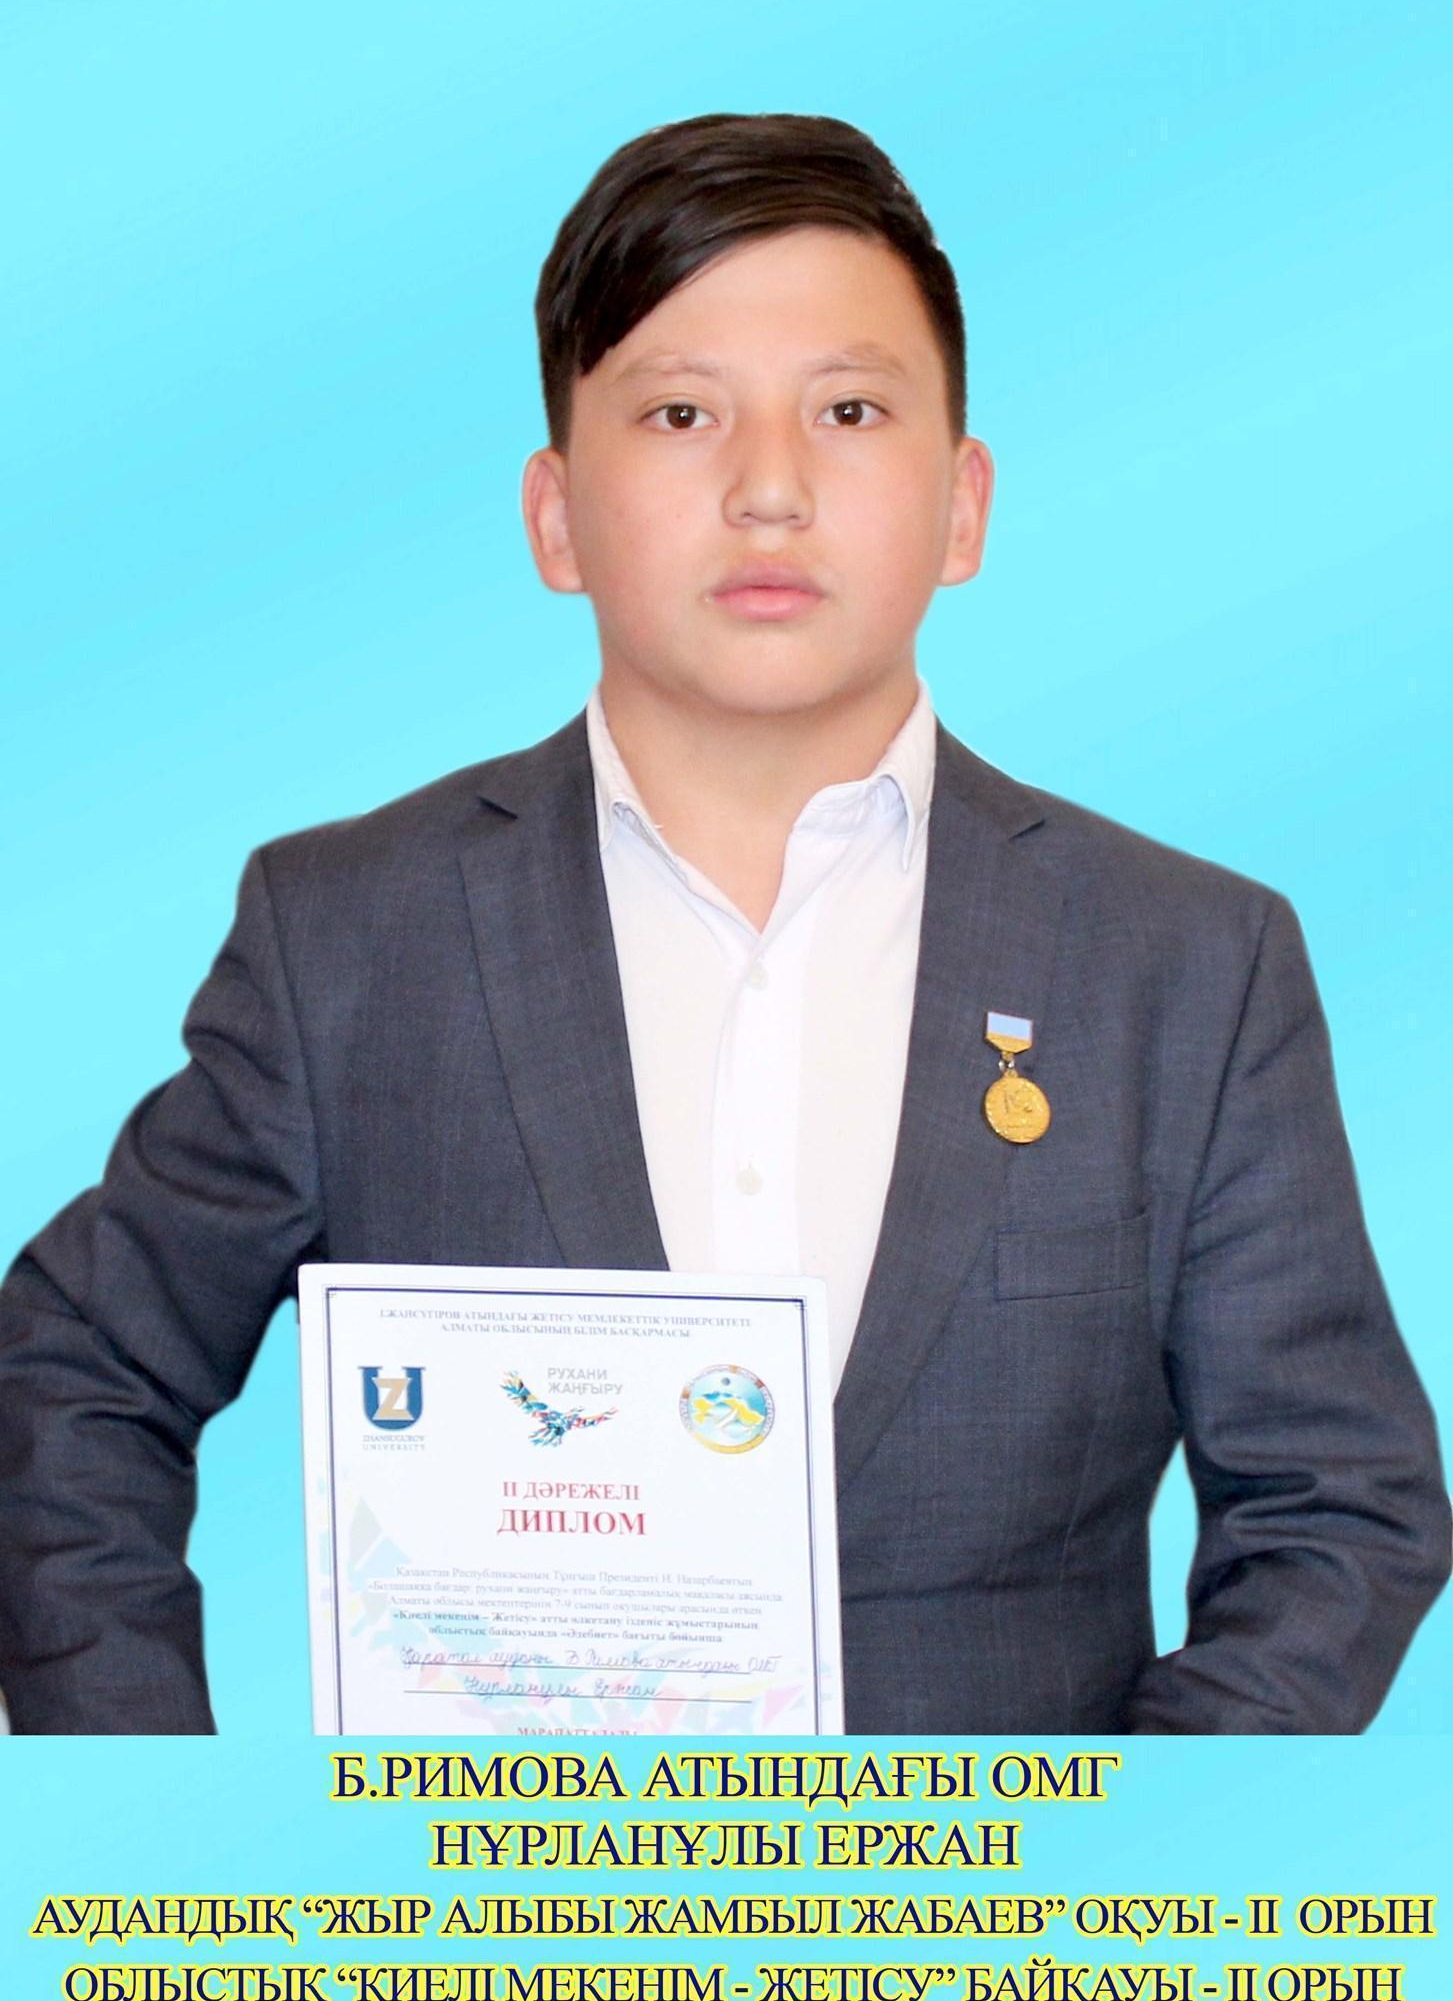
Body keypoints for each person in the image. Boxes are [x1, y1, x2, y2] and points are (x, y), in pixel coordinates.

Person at [0, 112, 1446, 1735]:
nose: (769, 489)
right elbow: (73, 1373)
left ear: (962, 505)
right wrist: (150, 1808)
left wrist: (1115, 1852)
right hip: (498, 1900)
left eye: (848, 411)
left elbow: (1338, 1506)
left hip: (995, 1901)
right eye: (680, 414)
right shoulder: (350, 938)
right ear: (555, 515)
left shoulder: (1181, 963)